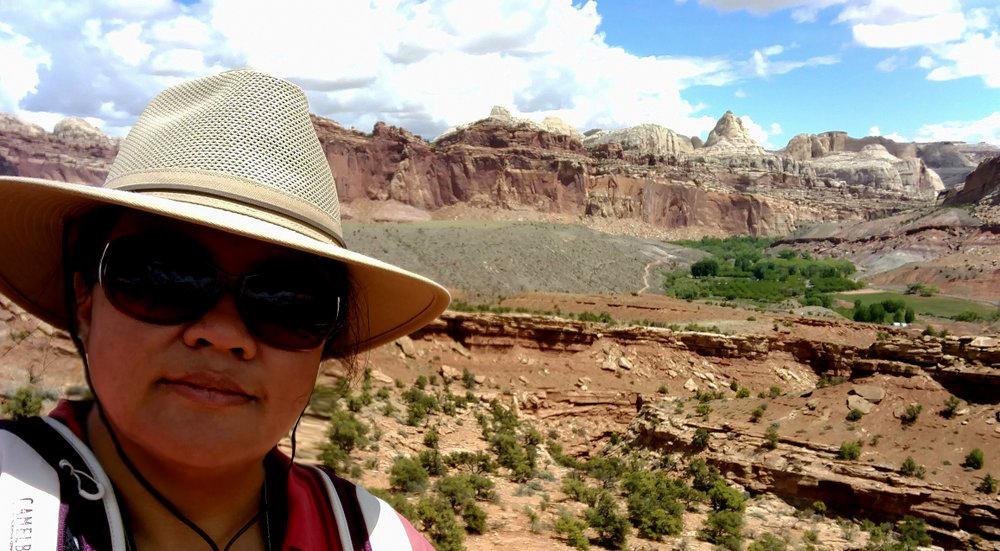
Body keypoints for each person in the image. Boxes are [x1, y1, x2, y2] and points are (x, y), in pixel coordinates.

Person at [0, 69, 450, 550]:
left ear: (324, 342)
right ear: (85, 301)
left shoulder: (379, 540)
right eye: (163, 276)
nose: (222, 333)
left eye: (287, 301)